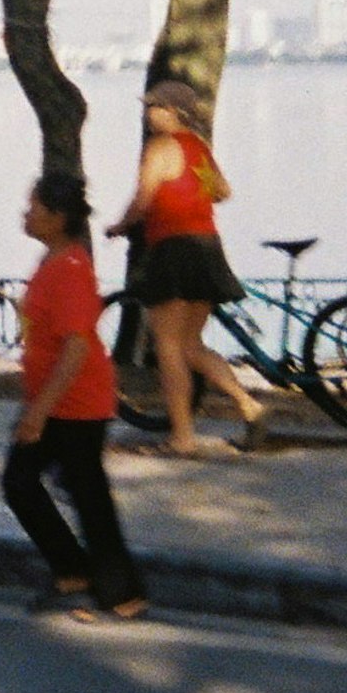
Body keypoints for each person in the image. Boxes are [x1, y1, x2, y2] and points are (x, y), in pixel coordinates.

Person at [2, 171, 147, 623]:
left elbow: (78, 345)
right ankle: (74, 572)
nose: (26, 214)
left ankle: (117, 589)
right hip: (55, 399)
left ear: (57, 217)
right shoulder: (55, 260)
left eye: (34, 208)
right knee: (29, 483)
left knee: (81, 492)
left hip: (75, 403)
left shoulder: (69, 269)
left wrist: (39, 411)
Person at [106, 77, 266, 456]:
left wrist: (119, 226)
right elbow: (222, 191)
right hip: (207, 249)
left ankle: (182, 438)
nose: (147, 113)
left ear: (173, 112)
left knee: (168, 347)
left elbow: (143, 201)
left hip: (173, 250)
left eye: (153, 107)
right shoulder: (198, 147)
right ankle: (248, 404)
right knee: (190, 344)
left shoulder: (159, 148)